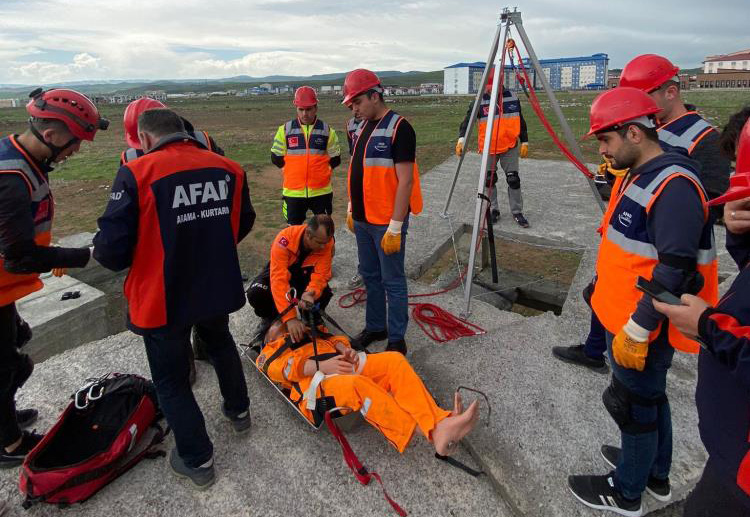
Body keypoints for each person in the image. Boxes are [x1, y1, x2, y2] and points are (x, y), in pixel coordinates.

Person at [567, 87, 718, 516]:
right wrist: (601, 288)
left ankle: (626, 490)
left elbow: (673, 270)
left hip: (644, 327)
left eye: (605, 140)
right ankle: (655, 472)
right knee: (650, 399)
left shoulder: (674, 187)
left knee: (633, 407)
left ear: (634, 132)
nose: (602, 150)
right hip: (625, 315)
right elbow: (629, 247)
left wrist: (638, 328)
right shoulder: (641, 173)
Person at [92, 108, 255, 489]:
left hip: (163, 296)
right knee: (220, 343)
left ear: (145, 140)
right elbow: (243, 222)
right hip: (215, 285)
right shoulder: (228, 168)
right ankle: (239, 411)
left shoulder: (137, 173)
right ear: (187, 131)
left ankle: (197, 459)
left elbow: (111, 252)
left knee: (170, 381)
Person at [553, 52, 731, 374]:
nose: (634, 102)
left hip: (655, 255)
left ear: (670, 91)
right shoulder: (646, 126)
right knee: (606, 298)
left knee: (637, 401)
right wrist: (614, 173)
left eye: (641, 95)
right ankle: (595, 349)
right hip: (625, 238)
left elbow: (702, 203)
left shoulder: (702, 139)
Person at [0, 88, 108, 468]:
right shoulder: (12, 178)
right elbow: (19, 257)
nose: (76, 151)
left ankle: (6, 420)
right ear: (53, 136)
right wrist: (85, 256)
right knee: (6, 367)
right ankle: (10, 444)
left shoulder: (16, 156)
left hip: (3, 291)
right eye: (76, 142)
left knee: (15, 346)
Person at [652, 108, 750, 517]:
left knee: (641, 398)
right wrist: (742, 239)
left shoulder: (676, 180)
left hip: (741, 479)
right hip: (730, 451)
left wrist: (708, 327)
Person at [119, 97, 227, 382]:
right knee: (200, 314)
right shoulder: (133, 157)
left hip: (173, 250)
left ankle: (194, 360)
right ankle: (192, 364)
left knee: (184, 318)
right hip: (200, 248)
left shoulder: (204, 141)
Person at [257, 320, 479, 454]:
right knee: (358, 385)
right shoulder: (269, 352)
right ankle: (435, 433)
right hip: (316, 386)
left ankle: (440, 420)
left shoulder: (310, 331)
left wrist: (346, 350)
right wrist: (321, 365)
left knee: (394, 360)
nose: (287, 327)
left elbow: (337, 339)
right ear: (269, 335)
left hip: (342, 366)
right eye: (280, 326)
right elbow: (279, 370)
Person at [342, 69, 423, 355]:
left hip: (385, 223)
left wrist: (395, 227)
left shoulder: (400, 128)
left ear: (375, 96)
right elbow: (357, 170)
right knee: (370, 276)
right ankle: (376, 326)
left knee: (393, 281)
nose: (354, 108)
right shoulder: (361, 127)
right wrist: (352, 207)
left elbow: (406, 181)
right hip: (364, 221)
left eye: (357, 101)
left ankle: (397, 338)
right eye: (351, 104)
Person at [455, 68, 530, 227]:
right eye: (487, 85)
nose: (489, 88)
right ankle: (493, 209)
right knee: (489, 180)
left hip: (509, 145)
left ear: (500, 82)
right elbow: (467, 122)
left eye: (492, 84)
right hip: (489, 147)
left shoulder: (512, 97)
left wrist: (525, 141)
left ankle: (517, 212)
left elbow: (520, 121)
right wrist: (461, 139)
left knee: (513, 179)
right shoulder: (479, 101)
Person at [246, 214, 334, 341]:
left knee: (324, 293)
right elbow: (278, 279)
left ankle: (310, 315)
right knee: (256, 293)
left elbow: (321, 275)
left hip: (303, 274)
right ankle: (271, 317)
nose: (323, 247)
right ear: (308, 234)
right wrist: (290, 318)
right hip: (281, 272)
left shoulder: (326, 242)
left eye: (326, 243)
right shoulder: (285, 239)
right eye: (319, 243)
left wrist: (310, 294)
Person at [271, 86, 341, 225]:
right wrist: (290, 170)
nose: (304, 114)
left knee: (324, 233)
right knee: (293, 234)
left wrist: (323, 173)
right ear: (296, 108)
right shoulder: (285, 130)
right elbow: (276, 157)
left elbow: (336, 158)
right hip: (293, 192)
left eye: (308, 109)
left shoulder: (327, 131)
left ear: (316, 108)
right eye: (301, 109)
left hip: (321, 192)